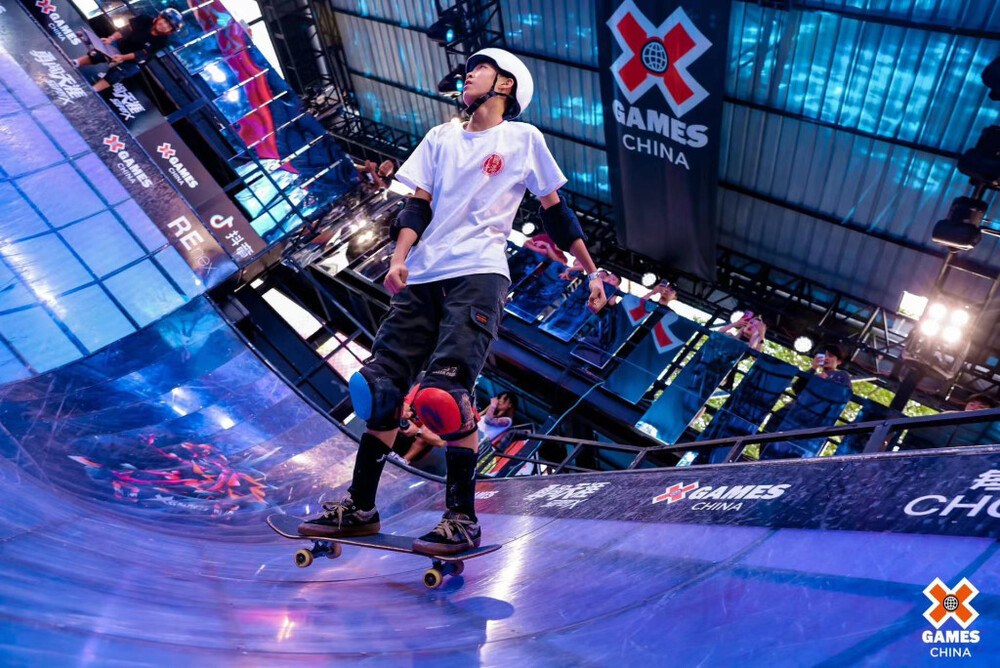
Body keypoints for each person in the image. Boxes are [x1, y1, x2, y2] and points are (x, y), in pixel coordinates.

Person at [298, 48, 608, 555]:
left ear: (505, 85)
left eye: (479, 69)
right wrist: (400, 257)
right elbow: (416, 206)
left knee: (445, 396)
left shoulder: (523, 138)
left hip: (479, 273)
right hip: (423, 273)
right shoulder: (440, 137)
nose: (467, 75)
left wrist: (591, 271)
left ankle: (461, 519)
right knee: (377, 389)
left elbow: (557, 213)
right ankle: (359, 508)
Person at [74, 9, 184, 92]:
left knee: (117, 75)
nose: (164, 25)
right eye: (165, 21)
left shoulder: (163, 42)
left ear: (170, 31)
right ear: (159, 17)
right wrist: (110, 39)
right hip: (121, 45)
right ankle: (75, 63)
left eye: (169, 26)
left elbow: (141, 54)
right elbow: (125, 30)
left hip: (133, 60)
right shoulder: (144, 19)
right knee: (97, 55)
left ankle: (92, 91)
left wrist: (122, 58)